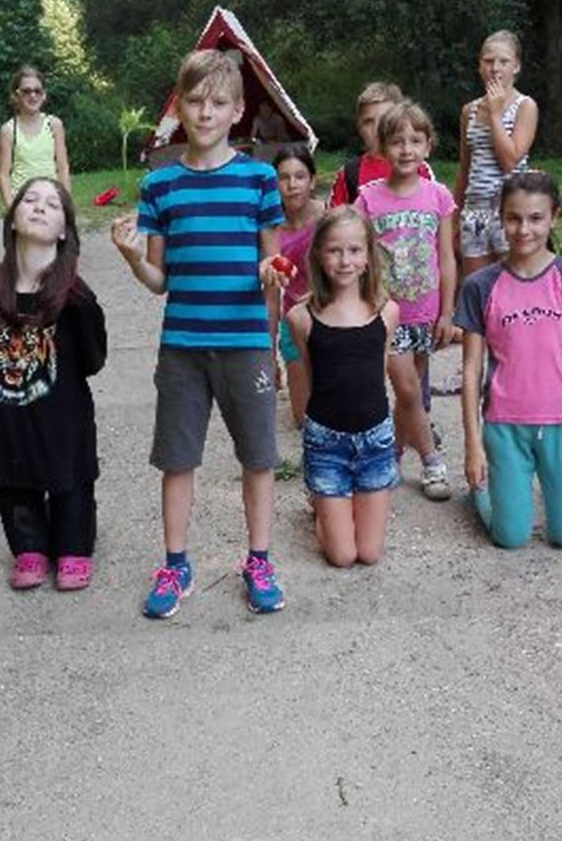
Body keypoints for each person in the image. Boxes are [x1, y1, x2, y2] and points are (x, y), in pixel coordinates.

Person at [111, 48, 288, 619]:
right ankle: (175, 564)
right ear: (179, 109)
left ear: (237, 111)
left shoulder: (260, 179)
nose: (205, 112)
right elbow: (159, 281)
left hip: (246, 344)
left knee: (258, 458)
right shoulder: (160, 186)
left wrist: (271, 278)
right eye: (194, 101)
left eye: (218, 102)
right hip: (183, 348)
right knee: (177, 460)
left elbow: (272, 263)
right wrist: (133, 258)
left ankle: (259, 560)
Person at [0, 177, 107, 591]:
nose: (40, 207)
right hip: (7, 413)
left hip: (64, 414)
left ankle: (73, 545)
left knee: (71, 476)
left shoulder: (76, 297)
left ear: (64, 231)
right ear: (12, 220)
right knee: (12, 475)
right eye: (29, 200)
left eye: (52, 204)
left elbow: (93, 359)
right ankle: (29, 547)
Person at [455, 170, 562, 549]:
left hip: (561, 424)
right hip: (504, 424)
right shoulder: (480, 286)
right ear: (500, 217)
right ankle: (483, 493)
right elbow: (471, 370)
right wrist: (473, 446)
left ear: (555, 217)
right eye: (513, 218)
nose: (524, 229)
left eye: (536, 218)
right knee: (510, 537)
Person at [287, 209, 399, 567]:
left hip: (375, 439)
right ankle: (323, 511)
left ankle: (337, 505)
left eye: (354, 250)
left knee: (369, 553)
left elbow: (379, 372)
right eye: (335, 250)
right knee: (342, 556)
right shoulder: (301, 317)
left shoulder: (387, 311)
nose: (345, 260)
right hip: (326, 442)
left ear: (368, 256)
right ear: (319, 254)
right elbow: (312, 375)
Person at [356, 101, 456, 500]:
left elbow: (447, 258)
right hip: (387, 315)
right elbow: (358, 255)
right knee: (410, 390)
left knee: (406, 393)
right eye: (397, 141)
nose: (406, 149)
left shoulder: (439, 196)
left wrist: (447, 311)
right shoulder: (368, 200)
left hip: (425, 314)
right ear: (382, 148)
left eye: (415, 141)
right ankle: (432, 461)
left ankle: (393, 457)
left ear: (428, 146)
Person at [453, 29, 539, 276]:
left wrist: (495, 114)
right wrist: (454, 217)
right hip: (475, 211)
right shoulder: (469, 111)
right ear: (480, 66)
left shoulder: (525, 106)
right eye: (488, 61)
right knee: (476, 286)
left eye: (504, 61)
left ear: (516, 66)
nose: (495, 68)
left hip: (510, 209)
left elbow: (510, 161)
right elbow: (465, 167)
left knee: (513, 283)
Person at [273, 143, 325, 426]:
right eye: (284, 177)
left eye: (300, 176)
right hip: (294, 318)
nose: (292, 185)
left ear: (312, 181)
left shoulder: (329, 217)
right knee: (304, 418)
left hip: (332, 313)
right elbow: (269, 292)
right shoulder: (271, 228)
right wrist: (268, 353)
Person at [328, 80, 435, 207]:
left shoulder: (418, 167)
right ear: (359, 127)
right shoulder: (349, 174)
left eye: (385, 119)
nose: (377, 128)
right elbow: (334, 217)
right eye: (368, 122)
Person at [0, 64, 71, 210]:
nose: (33, 96)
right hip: (22, 204)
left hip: (51, 202)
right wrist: (11, 208)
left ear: (44, 95)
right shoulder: (8, 130)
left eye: (38, 91)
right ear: (16, 96)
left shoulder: (54, 125)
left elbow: (63, 168)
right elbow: (3, 175)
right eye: (26, 91)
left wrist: (66, 205)